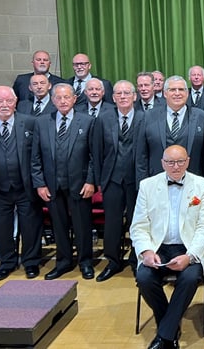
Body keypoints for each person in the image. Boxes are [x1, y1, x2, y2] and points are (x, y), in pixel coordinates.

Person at [131, 145, 204, 349]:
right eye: (170, 162)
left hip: (188, 247)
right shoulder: (147, 185)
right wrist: (147, 251)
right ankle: (169, 327)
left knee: (190, 278)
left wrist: (190, 256)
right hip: (157, 247)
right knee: (143, 278)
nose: (175, 166)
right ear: (162, 163)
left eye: (180, 162)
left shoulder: (202, 185)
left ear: (188, 161)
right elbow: (139, 225)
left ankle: (164, 336)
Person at [31, 83, 96, 280]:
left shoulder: (88, 121)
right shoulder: (42, 123)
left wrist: (91, 181)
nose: (63, 101)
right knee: (59, 226)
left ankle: (85, 262)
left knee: (82, 226)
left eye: (67, 97)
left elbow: (94, 156)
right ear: (52, 100)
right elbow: (35, 157)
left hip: (79, 184)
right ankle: (63, 262)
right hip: (52, 186)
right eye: (58, 97)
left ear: (75, 99)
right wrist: (40, 183)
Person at [91, 80, 144, 281]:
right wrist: (98, 181)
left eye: (127, 93)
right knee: (112, 223)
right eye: (118, 94)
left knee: (136, 223)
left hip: (136, 180)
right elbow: (97, 152)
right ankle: (112, 262)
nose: (123, 96)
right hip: (111, 179)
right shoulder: (103, 119)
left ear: (134, 96)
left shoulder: (144, 118)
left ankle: (136, 261)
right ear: (112, 98)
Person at [0, 86, 41, 280]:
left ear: (16, 103)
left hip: (25, 186)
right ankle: (7, 262)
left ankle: (31, 262)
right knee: (1, 227)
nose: (5, 105)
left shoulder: (29, 122)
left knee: (30, 226)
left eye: (9, 101)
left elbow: (39, 155)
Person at [136, 76, 204, 182]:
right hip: (157, 183)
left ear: (187, 93)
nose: (177, 93)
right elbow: (141, 157)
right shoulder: (148, 117)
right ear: (165, 93)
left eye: (181, 89)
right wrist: (143, 184)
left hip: (193, 183)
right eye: (172, 90)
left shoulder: (203, 117)